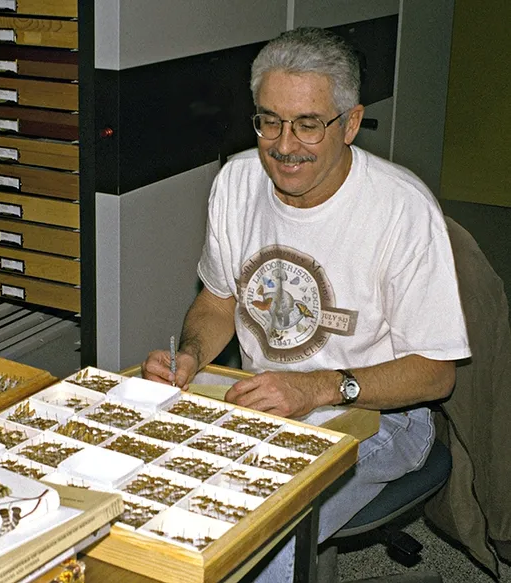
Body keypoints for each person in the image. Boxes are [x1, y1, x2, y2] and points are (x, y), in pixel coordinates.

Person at [142, 27, 470, 580]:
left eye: (308, 124)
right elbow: (219, 302)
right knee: (158, 509)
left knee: (255, 548)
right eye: (269, 120)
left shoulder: (401, 209)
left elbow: (436, 375)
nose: (284, 144)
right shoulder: (237, 182)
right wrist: (192, 358)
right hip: (262, 399)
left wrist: (316, 388)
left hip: (379, 415)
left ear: (351, 123)